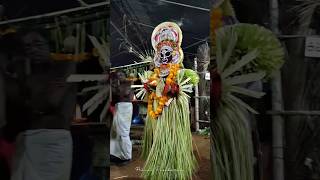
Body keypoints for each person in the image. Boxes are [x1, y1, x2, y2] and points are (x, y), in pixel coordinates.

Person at [1, 30, 76, 180]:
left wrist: (25, 92)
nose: (33, 49)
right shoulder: (24, 75)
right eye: (27, 47)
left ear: (49, 45)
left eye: (38, 44)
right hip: (25, 142)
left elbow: (48, 102)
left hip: (52, 143)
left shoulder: (65, 67)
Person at [110, 71, 134, 165]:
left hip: (125, 107)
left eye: (121, 75)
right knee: (115, 132)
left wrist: (114, 83)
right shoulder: (118, 84)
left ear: (125, 76)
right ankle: (116, 154)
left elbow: (121, 93)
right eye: (117, 75)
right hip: (119, 107)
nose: (118, 76)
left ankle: (127, 157)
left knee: (123, 132)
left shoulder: (127, 84)